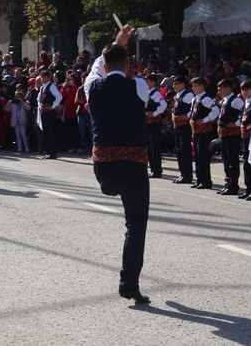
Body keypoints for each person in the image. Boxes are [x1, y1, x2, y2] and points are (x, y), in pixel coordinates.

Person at [86, 30, 150, 304]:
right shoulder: (138, 86)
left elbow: (95, 69)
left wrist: (116, 44)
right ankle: (129, 283)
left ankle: (129, 283)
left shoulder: (92, 87)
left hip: (103, 166)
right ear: (128, 66)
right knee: (135, 224)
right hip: (132, 163)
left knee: (130, 218)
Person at [189, 77, 219, 189]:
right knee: (197, 156)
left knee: (203, 157)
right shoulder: (195, 99)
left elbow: (216, 111)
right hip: (196, 131)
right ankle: (199, 179)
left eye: (195, 86)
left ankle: (206, 181)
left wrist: (205, 120)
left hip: (204, 132)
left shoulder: (206, 99)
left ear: (201, 86)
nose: (193, 88)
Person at [216, 79, 244, 196]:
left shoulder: (236, 101)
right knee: (226, 159)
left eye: (221, 89)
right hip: (224, 133)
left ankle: (233, 185)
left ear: (228, 89)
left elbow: (245, 112)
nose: (219, 91)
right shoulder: (224, 100)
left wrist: (237, 123)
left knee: (232, 160)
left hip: (232, 134)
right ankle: (227, 183)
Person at [171, 76, 194, 184]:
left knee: (185, 150)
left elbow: (193, 108)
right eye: (174, 83)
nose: (174, 85)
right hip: (178, 125)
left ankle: (187, 175)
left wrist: (187, 116)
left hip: (184, 126)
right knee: (179, 150)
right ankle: (182, 173)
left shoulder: (188, 95)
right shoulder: (177, 96)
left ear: (183, 84)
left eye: (177, 83)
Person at [144, 74, 167, 178]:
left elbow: (164, 104)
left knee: (154, 147)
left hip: (154, 123)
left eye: (147, 81)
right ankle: (153, 168)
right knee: (149, 147)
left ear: (153, 82)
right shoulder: (147, 93)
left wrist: (155, 113)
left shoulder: (155, 94)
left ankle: (157, 170)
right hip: (147, 123)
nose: (146, 83)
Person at [37, 70, 62, 159]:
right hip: (43, 111)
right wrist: (39, 105)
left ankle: (52, 153)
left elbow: (59, 96)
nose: (42, 79)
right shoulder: (42, 87)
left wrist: (53, 106)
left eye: (44, 77)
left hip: (49, 112)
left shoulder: (51, 86)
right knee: (45, 132)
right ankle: (48, 152)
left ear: (48, 77)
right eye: (41, 77)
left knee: (50, 132)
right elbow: (39, 98)